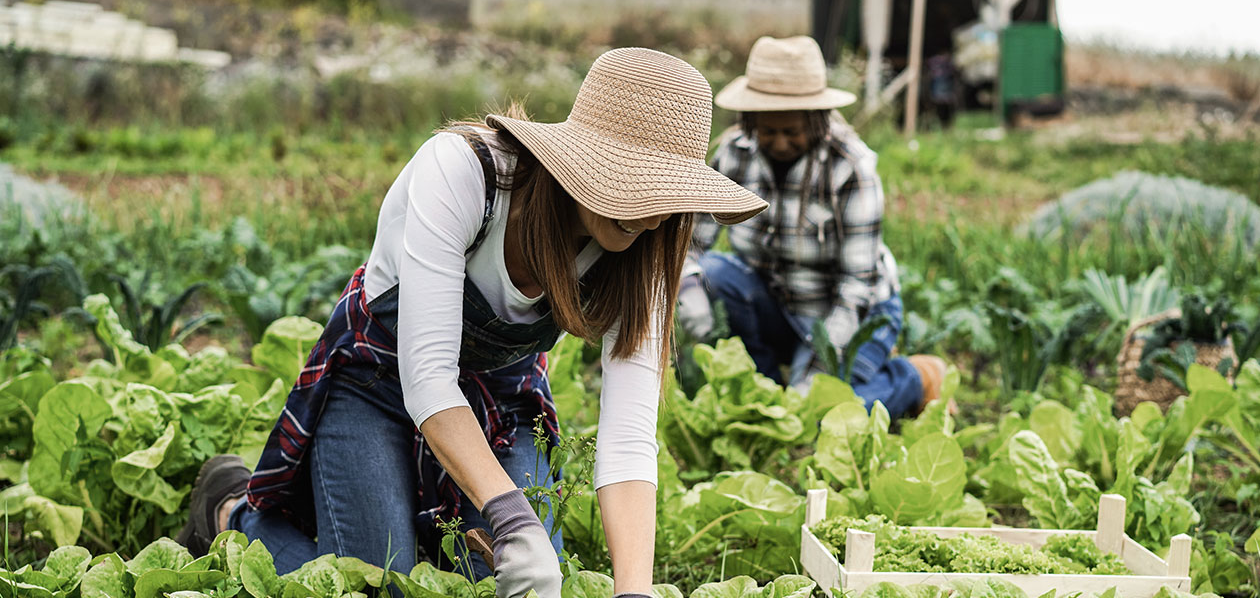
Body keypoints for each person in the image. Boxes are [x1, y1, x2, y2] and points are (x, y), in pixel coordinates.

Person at [175, 47, 767, 598]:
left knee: (523, 582)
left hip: (500, 401)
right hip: (377, 384)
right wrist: (513, 519)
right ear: (583, 160)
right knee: (381, 581)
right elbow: (428, 377)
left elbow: (628, 439)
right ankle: (230, 512)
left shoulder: (646, 254)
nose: (651, 213)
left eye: (667, 193)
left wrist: (632, 590)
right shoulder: (467, 172)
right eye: (633, 182)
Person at [676, 36, 947, 419]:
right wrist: (689, 288)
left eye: (793, 131)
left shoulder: (850, 167)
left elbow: (856, 287)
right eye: (768, 131)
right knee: (719, 274)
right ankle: (768, 389)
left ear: (816, 120)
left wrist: (815, 372)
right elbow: (693, 242)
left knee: (819, 417)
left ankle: (915, 377)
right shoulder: (734, 153)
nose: (780, 142)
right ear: (750, 121)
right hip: (777, 303)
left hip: (853, 313)